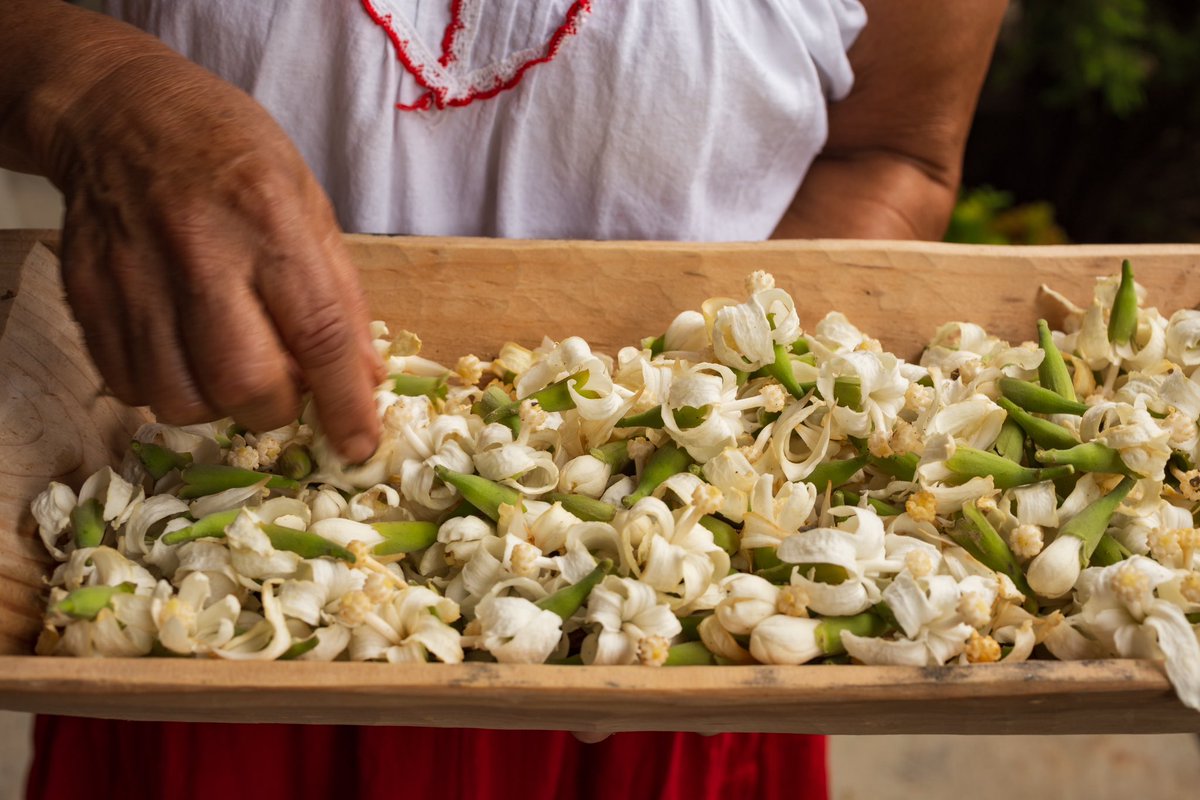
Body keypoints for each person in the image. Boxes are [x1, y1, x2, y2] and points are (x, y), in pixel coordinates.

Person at [2, 1, 1007, 798]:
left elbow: (895, 152)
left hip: (680, 632)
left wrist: (684, 515)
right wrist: (96, 90)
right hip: (194, 596)